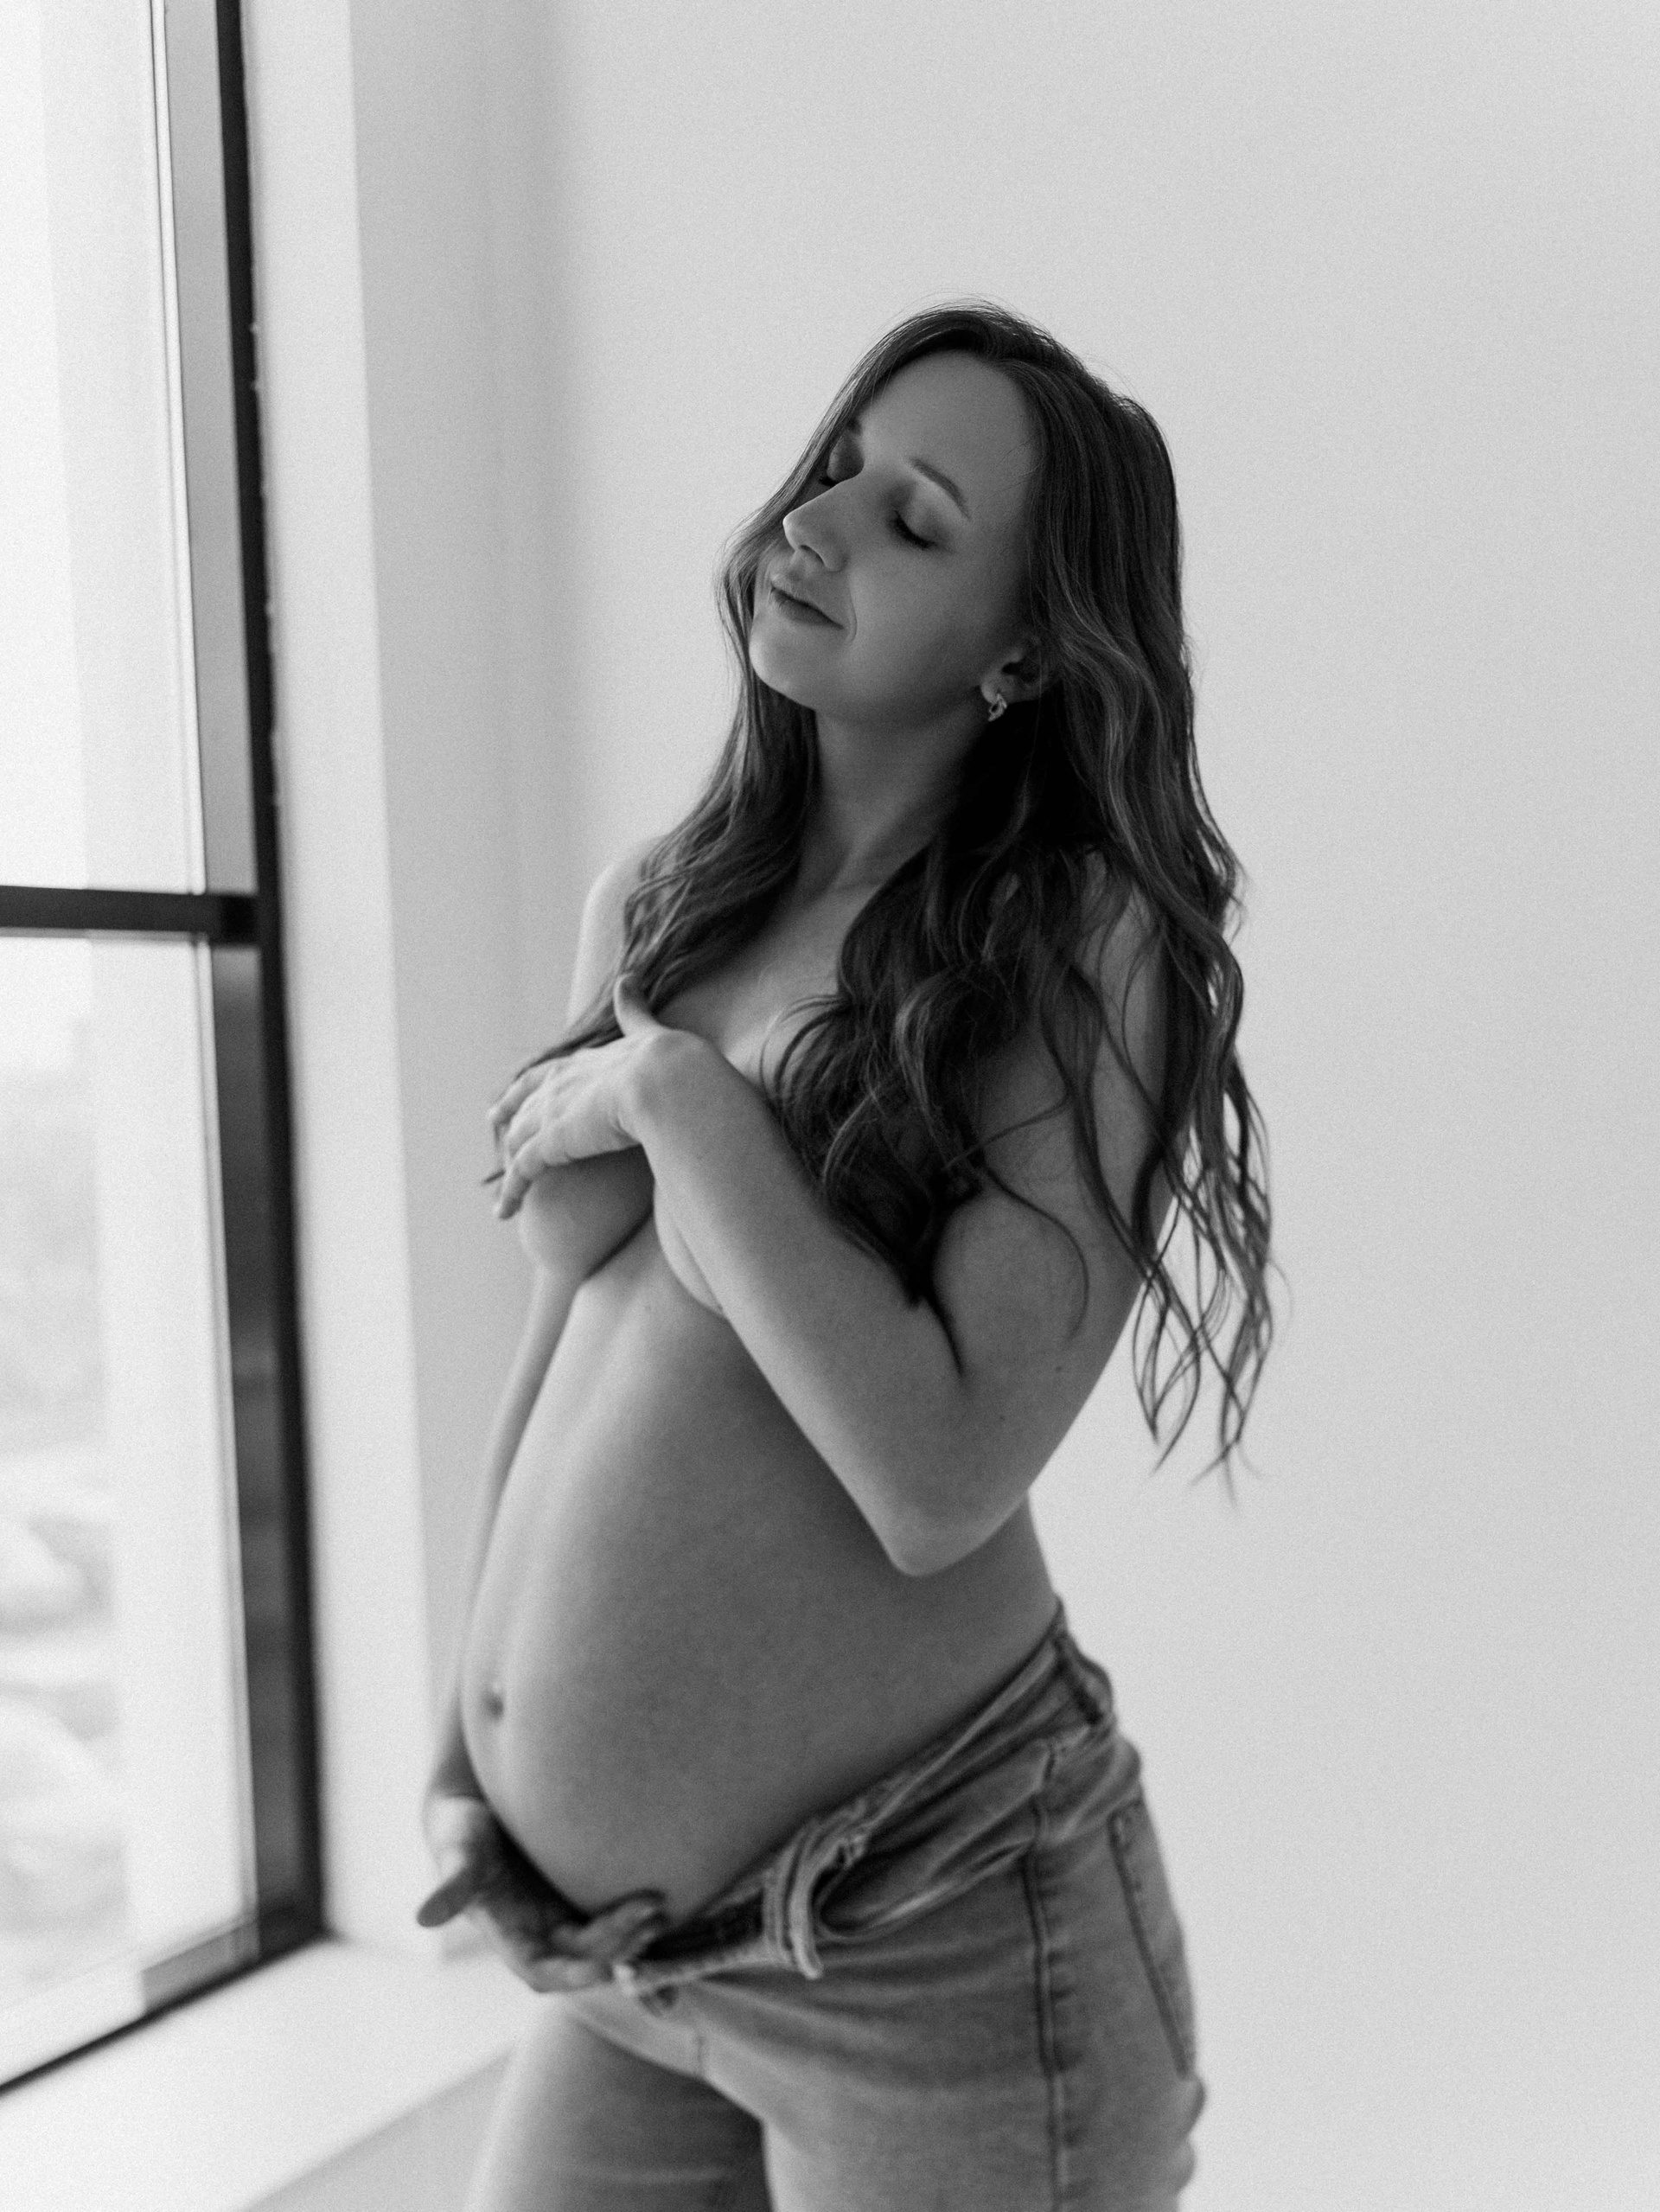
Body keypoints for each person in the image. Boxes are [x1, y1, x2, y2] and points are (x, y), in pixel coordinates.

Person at [414, 300, 1274, 2210]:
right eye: (836, 467)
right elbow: (568, 1342)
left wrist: (681, 1105)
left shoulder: (1081, 950)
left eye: (915, 518)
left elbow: (938, 1479)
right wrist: (471, 1729)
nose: (818, 523)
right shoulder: (665, 897)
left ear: (1025, 651)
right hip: (634, 1961)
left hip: (936, 1945)